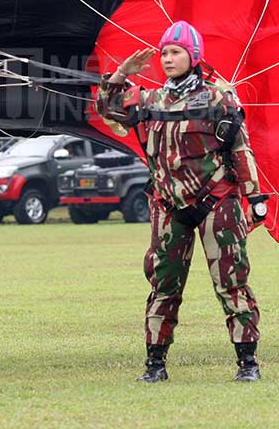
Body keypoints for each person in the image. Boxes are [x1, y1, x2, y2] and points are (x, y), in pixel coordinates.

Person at [95, 20, 268, 383]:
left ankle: (247, 363)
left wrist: (255, 198)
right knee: (164, 286)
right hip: (168, 206)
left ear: (194, 56)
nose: (168, 59)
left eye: (176, 52)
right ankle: (155, 365)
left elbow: (241, 149)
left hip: (217, 204)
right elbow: (108, 110)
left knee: (231, 282)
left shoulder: (218, 98)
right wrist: (120, 76)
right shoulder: (150, 100)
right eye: (164, 53)